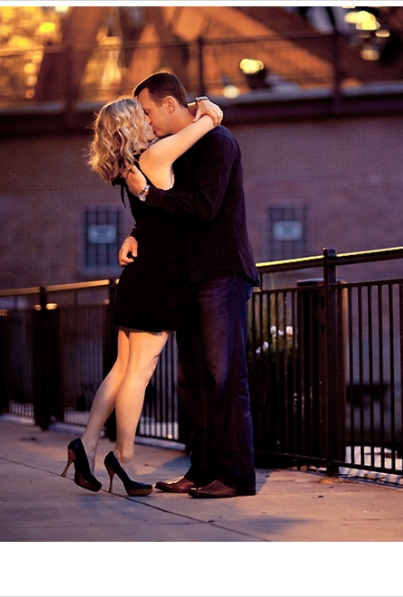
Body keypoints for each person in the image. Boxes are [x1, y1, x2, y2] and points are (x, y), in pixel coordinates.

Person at [60, 94, 223, 496]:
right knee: (140, 372)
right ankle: (125, 458)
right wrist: (203, 106)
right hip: (159, 277)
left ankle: (87, 443)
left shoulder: (131, 165)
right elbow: (209, 122)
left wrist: (132, 235)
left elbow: (151, 219)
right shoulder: (157, 155)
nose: (151, 120)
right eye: (144, 115)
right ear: (134, 124)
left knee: (122, 368)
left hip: (140, 274)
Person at [120, 72, 259, 499]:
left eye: (147, 111)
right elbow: (167, 217)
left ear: (168, 104)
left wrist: (148, 196)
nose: (146, 121)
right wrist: (138, 233)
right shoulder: (176, 149)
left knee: (224, 377)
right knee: (194, 379)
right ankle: (201, 470)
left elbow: (202, 208)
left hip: (221, 274)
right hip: (188, 278)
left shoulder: (218, 143)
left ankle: (235, 476)